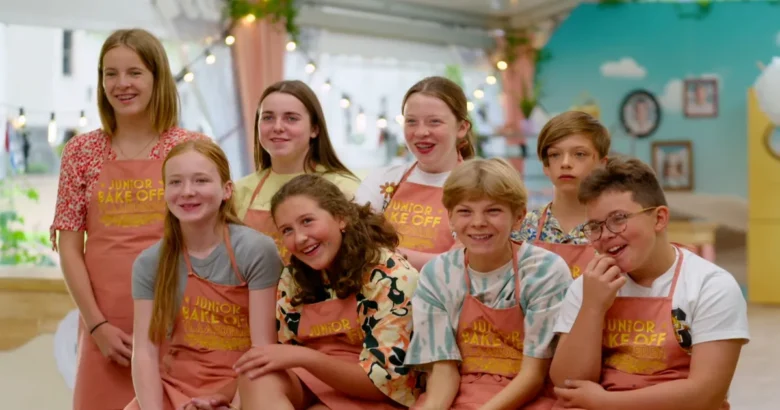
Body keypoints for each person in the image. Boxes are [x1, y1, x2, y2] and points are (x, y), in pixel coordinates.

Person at [50, 28, 207, 410]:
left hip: (181, 321)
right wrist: (96, 326)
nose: (122, 84)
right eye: (111, 73)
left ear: (157, 77)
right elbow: (69, 249)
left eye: (134, 72)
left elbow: (213, 240)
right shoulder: (80, 152)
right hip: (105, 324)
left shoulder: (191, 149)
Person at [549, 156, 750, 410]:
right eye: (594, 226)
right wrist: (592, 307)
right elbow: (567, 382)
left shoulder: (710, 286)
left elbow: (705, 394)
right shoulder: (588, 286)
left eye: (618, 218)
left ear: (659, 218)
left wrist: (606, 402)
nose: (606, 235)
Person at [234, 174, 421, 409]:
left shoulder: (392, 275)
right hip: (313, 383)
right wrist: (231, 397)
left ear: (341, 218)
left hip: (373, 392)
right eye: (287, 230)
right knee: (255, 377)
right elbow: (282, 356)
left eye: (307, 221)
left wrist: (306, 358)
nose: (300, 238)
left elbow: (386, 383)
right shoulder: (293, 276)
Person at [125, 139, 282, 410]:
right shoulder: (149, 263)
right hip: (177, 386)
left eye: (201, 181)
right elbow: (144, 353)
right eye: (175, 182)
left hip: (242, 385)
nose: (187, 192)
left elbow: (262, 349)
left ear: (226, 190)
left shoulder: (256, 250)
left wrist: (235, 405)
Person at [405, 158, 572, 410]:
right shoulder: (436, 274)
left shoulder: (544, 271)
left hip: (529, 399)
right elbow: (443, 371)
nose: (478, 222)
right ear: (450, 217)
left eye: (493, 211)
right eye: (465, 211)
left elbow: (534, 376)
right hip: (460, 396)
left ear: (518, 217)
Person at [355, 76, 477, 270]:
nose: (420, 132)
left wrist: (381, 253)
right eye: (411, 121)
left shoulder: (480, 187)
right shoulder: (382, 180)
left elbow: (466, 262)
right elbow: (355, 243)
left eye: (434, 122)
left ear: (462, 128)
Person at [234, 80, 360, 265]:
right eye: (268, 118)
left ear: (314, 129)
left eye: (291, 118)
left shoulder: (345, 187)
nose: (277, 127)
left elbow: (360, 255)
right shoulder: (239, 190)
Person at [514, 111, 610, 279]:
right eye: (555, 155)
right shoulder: (523, 228)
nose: (565, 163)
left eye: (579, 154)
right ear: (546, 166)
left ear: (602, 165)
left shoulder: (614, 229)